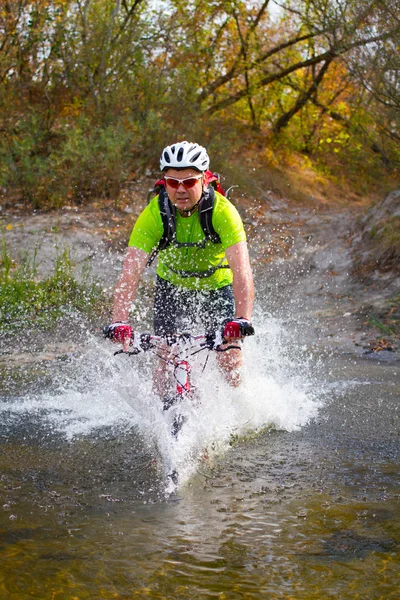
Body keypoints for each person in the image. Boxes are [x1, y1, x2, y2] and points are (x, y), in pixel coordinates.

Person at [104, 141, 254, 395]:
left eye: (190, 182)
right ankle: (163, 422)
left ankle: (243, 408)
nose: (181, 190)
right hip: (171, 288)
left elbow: (242, 271)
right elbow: (129, 275)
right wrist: (119, 322)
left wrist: (242, 319)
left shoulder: (223, 212)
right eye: (173, 183)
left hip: (217, 287)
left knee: (229, 358)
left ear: (204, 181)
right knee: (165, 361)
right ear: (165, 182)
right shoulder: (154, 214)